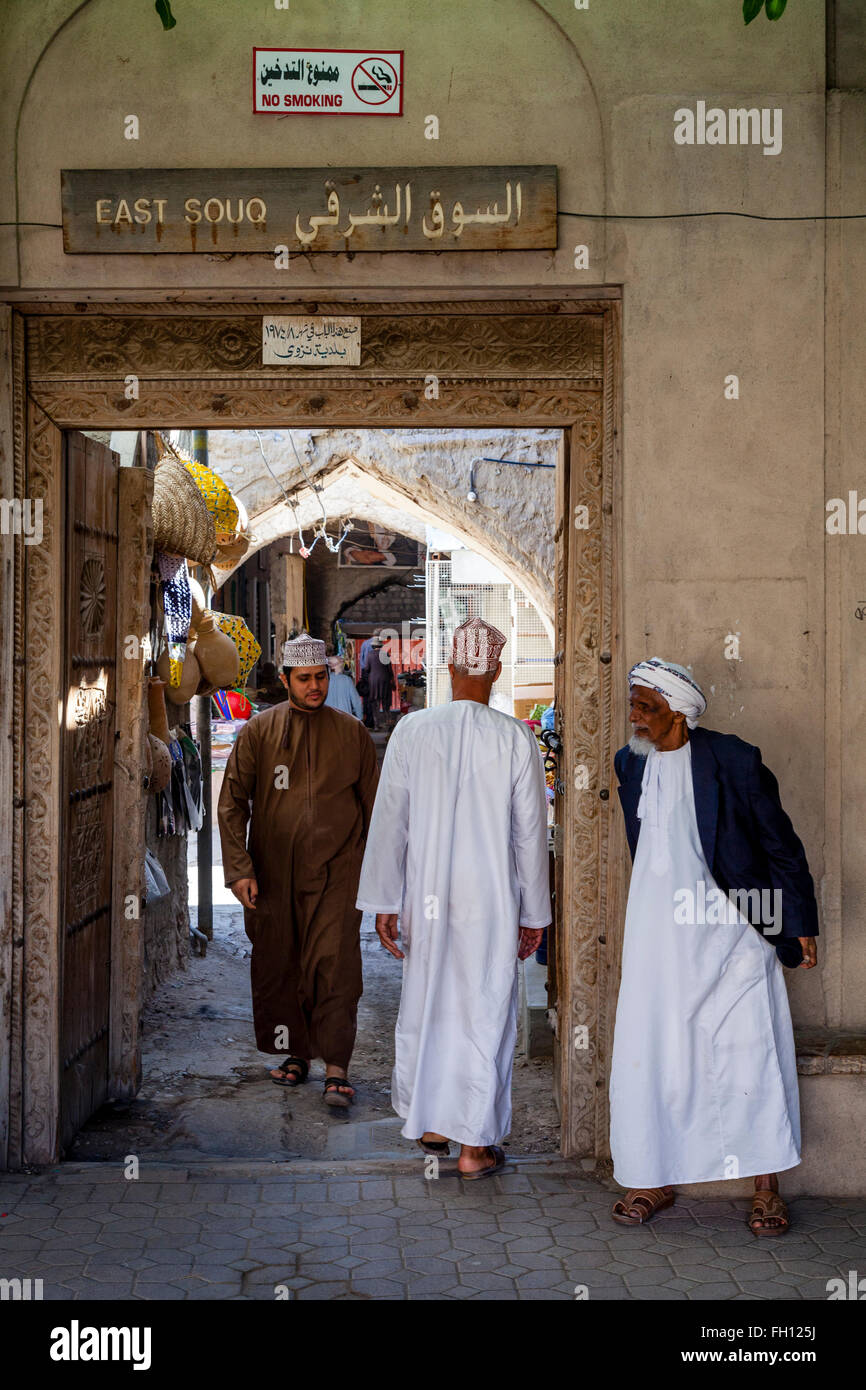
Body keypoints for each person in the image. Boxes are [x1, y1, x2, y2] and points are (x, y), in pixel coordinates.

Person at [609, 657, 818, 1235]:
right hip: (658, 936)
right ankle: (652, 1176)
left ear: (679, 712)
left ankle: (766, 1186)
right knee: (655, 1051)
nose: (635, 717)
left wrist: (796, 921)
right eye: (633, 704)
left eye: (645, 707)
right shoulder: (630, 763)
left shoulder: (734, 759)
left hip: (733, 932)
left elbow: (781, 845)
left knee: (748, 1049)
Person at [356, 616, 552, 1178]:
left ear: (447, 668)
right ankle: (473, 1149)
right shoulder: (515, 737)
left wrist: (385, 902)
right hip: (491, 904)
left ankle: (435, 1126)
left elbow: (389, 822)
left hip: (428, 899)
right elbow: (529, 836)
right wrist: (534, 913)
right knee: (485, 1011)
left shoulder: (413, 731)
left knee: (429, 1004)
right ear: (495, 670)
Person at [217, 632, 379, 1108]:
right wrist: (240, 868)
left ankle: (335, 1065)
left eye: (321, 678)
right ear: (285, 679)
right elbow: (231, 806)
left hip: (339, 872)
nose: (315, 687)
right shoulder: (258, 733)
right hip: (273, 872)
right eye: (304, 679)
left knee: (335, 964)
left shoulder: (352, 735)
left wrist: (372, 873)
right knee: (281, 963)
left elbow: (377, 810)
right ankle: (293, 1056)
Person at [366, 634, 397, 730]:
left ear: (373, 646)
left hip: (374, 682)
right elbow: (389, 670)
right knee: (385, 704)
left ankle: (376, 725)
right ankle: (388, 724)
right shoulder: (385, 654)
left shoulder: (369, 655)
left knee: (375, 704)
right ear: (381, 646)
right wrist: (392, 680)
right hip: (385, 682)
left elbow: (367, 668)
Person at [324, 653, 363, 719]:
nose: (342, 666)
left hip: (328, 719)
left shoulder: (325, 681)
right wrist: (360, 718)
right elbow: (357, 702)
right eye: (341, 663)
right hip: (345, 719)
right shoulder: (347, 680)